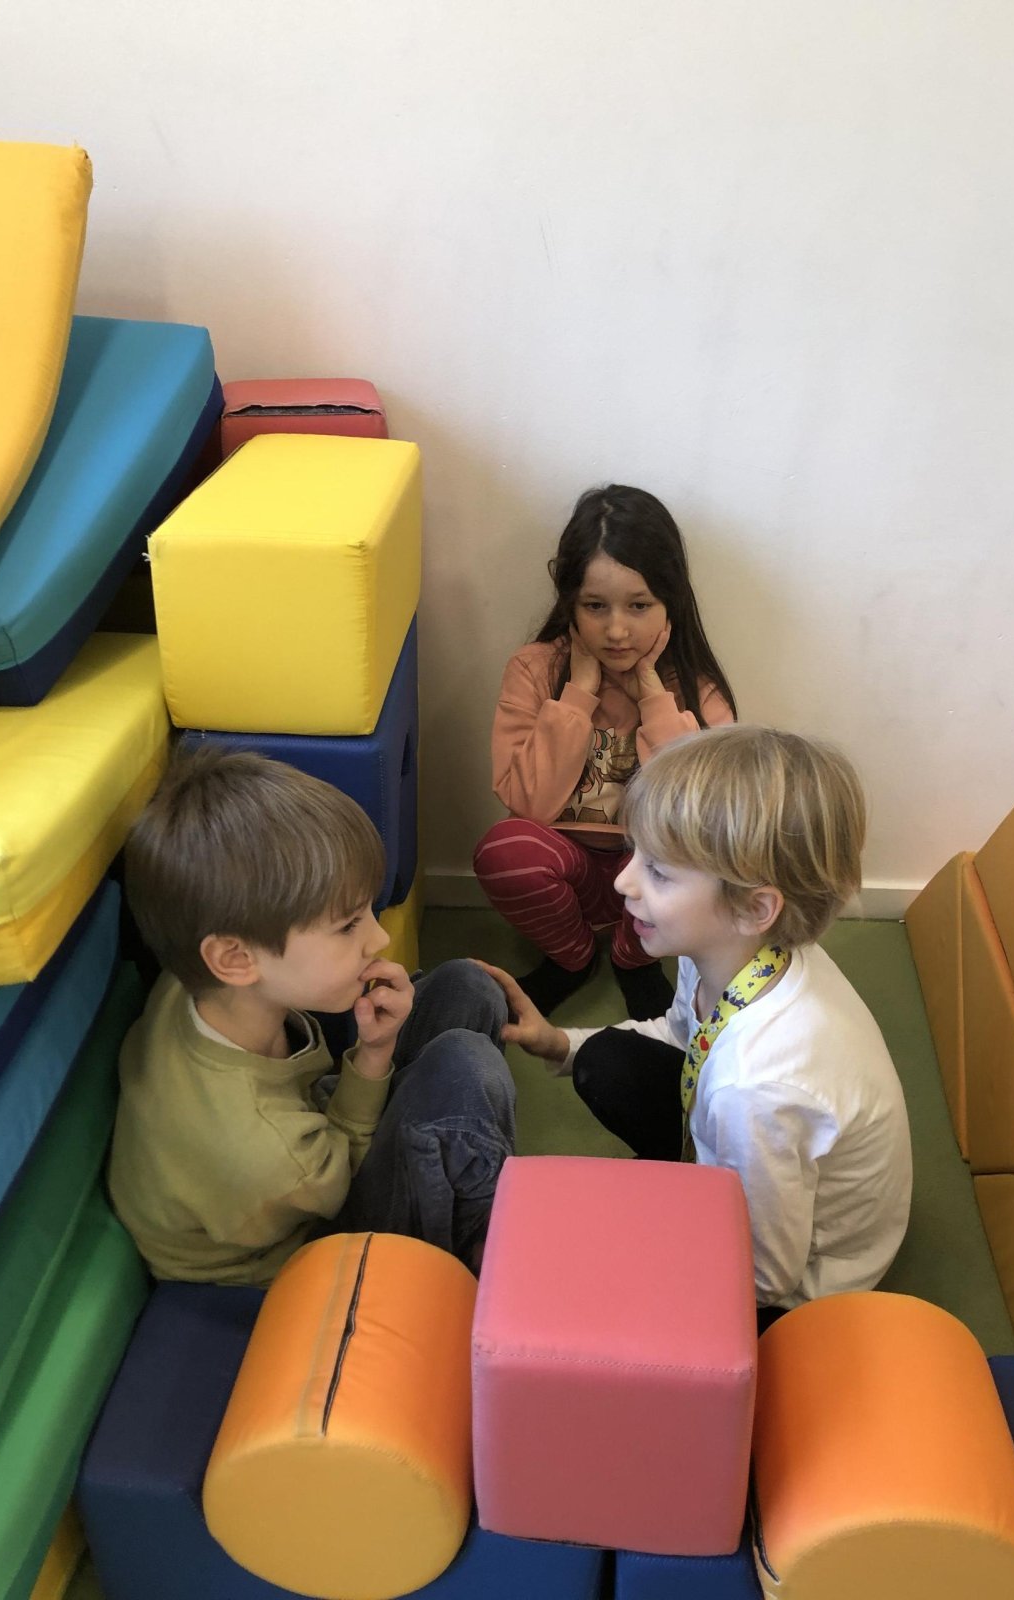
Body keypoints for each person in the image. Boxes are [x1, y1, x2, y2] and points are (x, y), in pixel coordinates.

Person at [479, 725, 911, 1330]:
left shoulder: (754, 1089)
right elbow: (687, 1036)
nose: (623, 882)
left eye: (658, 872)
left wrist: (649, 1240)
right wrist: (562, 1044)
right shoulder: (730, 954)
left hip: (802, 1291)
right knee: (605, 1061)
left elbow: (766, 1276)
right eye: (635, 854)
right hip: (761, 1168)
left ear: (754, 907)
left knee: (584, 1284)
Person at [108, 747, 515, 1286]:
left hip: (300, 1145)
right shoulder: (263, 1149)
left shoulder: (197, 982)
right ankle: (475, 1256)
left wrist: (375, 1049)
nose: (378, 937)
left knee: (468, 985)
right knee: (466, 1067)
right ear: (236, 959)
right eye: (347, 926)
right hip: (304, 1253)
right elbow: (335, 1173)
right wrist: (372, 1060)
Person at [474, 484, 736, 1021]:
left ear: (670, 602)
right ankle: (572, 960)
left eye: (639, 606)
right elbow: (528, 806)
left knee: (705, 857)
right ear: (570, 602)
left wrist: (654, 697)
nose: (617, 631)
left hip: (647, 871)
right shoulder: (535, 669)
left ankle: (632, 957)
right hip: (568, 872)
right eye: (595, 606)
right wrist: (578, 692)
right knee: (504, 849)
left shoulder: (697, 688)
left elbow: (698, 813)